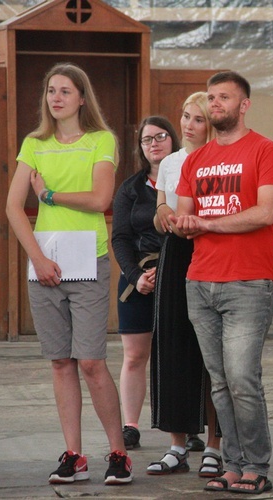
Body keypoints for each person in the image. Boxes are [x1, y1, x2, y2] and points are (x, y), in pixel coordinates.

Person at [5, 62, 132, 485]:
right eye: (51, 91)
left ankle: (118, 452)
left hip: (87, 261)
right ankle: (74, 455)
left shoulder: (102, 140)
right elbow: (12, 208)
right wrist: (37, 259)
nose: (56, 98)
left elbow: (100, 199)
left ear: (81, 98)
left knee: (92, 361)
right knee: (61, 362)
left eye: (65, 91)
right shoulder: (34, 143)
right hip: (45, 264)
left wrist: (50, 195)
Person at [171, 71, 273, 494]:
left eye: (224, 97)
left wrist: (206, 222)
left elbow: (266, 213)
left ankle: (257, 465)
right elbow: (184, 215)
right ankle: (234, 464)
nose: (215, 103)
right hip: (199, 281)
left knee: (243, 379)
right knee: (219, 381)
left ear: (244, 105)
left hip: (247, 282)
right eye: (211, 96)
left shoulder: (265, 150)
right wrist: (182, 222)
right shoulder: (194, 159)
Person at [148, 91, 222, 477]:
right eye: (185, 116)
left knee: (213, 352)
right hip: (177, 252)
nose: (188, 125)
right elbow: (162, 206)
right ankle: (177, 444)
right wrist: (162, 208)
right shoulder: (171, 161)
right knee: (172, 345)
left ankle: (215, 444)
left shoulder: (221, 159)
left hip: (212, 246)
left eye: (197, 119)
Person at [111, 116, 178, 450]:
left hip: (179, 275)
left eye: (161, 136)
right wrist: (137, 278)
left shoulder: (185, 179)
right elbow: (120, 238)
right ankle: (130, 425)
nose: (154, 144)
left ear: (173, 139)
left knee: (178, 353)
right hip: (138, 277)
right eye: (146, 139)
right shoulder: (130, 189)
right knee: (135, 355)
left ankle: (184, 427)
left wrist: (169, 272)